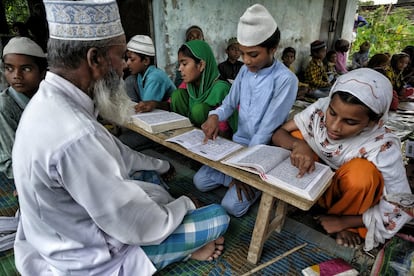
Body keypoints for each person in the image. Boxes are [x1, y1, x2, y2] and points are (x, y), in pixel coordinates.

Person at [12, 1, 229, 275]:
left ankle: (179, 238)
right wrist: (185, 203)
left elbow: (120, 154)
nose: (123, 67)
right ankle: (182, 251)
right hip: (89, 258)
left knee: (150, 179)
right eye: (121, 56)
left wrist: (161, 166)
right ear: (95, 59)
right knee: (216, 218)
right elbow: (133, 224)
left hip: (58, 236)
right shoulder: (77, 134)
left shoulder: (47, 103)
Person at [271, 68, 412, 249]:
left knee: (362, 175)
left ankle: (340, 219)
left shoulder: (382, 145)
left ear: (372, 122)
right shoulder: (320, 110)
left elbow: (400, 204)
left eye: (350, 122)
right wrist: (299, 145)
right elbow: (279, 133)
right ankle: (302, 201)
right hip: (314, 181)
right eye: (332, 113)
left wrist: (346, 222)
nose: (334, 127)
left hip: (347, 198)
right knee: (297, 136)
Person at [195, 4, 298, 217]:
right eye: (242, 54)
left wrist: (242, 170)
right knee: (200, 181)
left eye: (253, 54)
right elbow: (229, 104)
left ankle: (254, 185)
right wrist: (215, 116)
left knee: (232, 207)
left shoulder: (286, 80)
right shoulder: (244, 71)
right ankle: (236, 182)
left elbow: (265, 131)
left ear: (273, 48)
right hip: (238, 145)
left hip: (264, 151)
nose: (246, 60)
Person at [0, 37, 46, 252]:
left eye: (26, 68)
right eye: (9, 69)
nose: (16, 76)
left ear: (41, 71)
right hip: (26, 173)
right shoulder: (5, 106)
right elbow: (11, 159)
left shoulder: (46, 96)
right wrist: (25, 182)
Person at [120, 35, 176, 150]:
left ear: (145, 61)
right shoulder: (140, 75)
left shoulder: (155, 77)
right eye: (127, 59)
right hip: (150, 116)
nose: (127, 63)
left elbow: (147, 114)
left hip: (165, 126)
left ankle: (155, 144)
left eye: (132, 59)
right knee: (130, 81)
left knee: (122, 142)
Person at [170, 40, 233, 130]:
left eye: (184, 64)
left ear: (201, 65)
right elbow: (170, 104)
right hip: (190, 132)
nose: (180, 69)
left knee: (199, 110)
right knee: (177, 95)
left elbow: (225, 127)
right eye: (179, 64)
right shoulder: (188, 84)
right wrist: (155, 104)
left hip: (214, 137)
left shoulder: (221, 89)